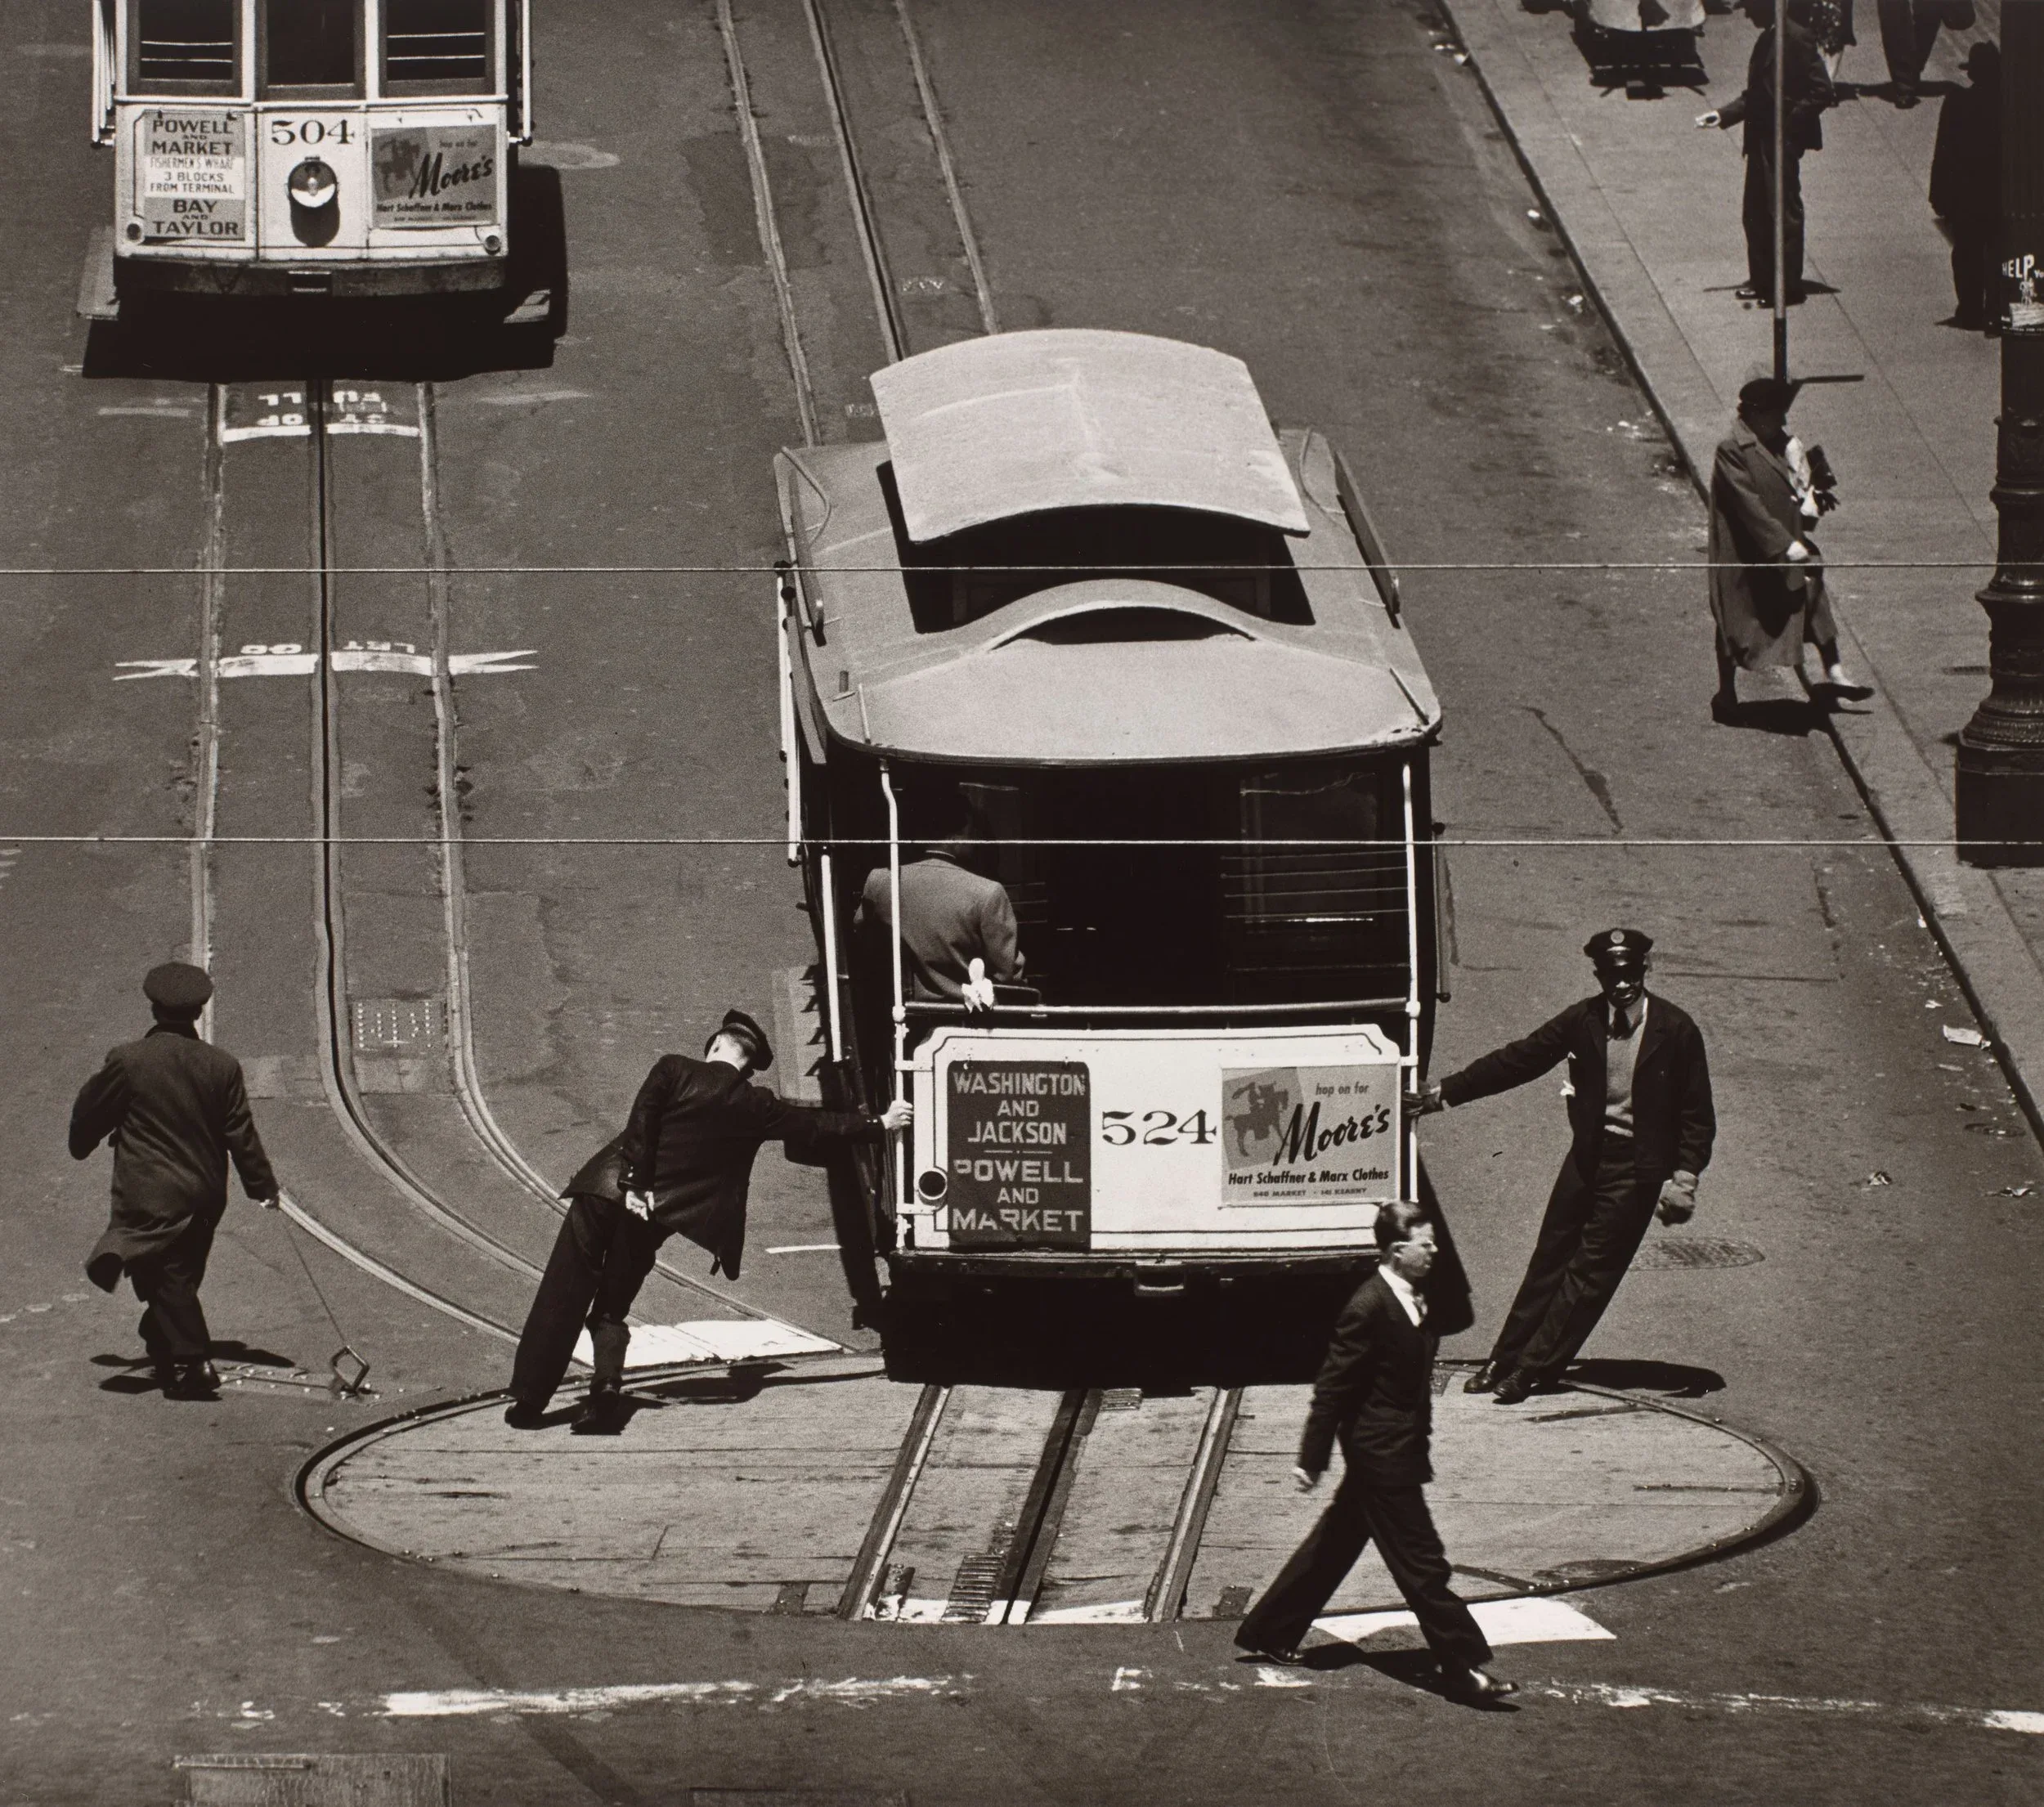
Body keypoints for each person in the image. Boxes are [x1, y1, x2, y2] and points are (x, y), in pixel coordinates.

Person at [503, 1009, 910, 1431]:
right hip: (655, 1215)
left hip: (605, 1192)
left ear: (716, 1045)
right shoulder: (758, 1105)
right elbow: (816, 1125)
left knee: (565, 1290)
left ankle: (531, 1402)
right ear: (749, 1066)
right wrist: (879, 1122)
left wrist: (636, 1184)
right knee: (612, 1306)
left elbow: (641, 1122)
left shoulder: (674, 1069)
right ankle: (606, 1387)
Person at [1414, 929, 1715, 1407]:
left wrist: (1684, 1179)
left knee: (1589, 1273)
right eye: (1613, 977)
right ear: (1600, 977)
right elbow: (1519, 1059)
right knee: (1548, 1260)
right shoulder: (1585, 1019)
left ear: (1645, 973)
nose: (1623, 986)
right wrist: (1443, 1095)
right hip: (1587, 1158)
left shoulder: (1676, 1030)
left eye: (1632, 975)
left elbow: (1697, 1115)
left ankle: (1532, 1370)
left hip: (1637, 1169)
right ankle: (1504, 1358)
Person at [1234, 1200, 1516, 1703]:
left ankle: (1271, 1630)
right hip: (1381, 1455)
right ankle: (1461, 1666)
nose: (1435, 1250)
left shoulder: (1414, 1295)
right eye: (1425, 1244)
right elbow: (1333, 1387)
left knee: (1337, 1542)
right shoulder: (1368, 1306)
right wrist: (1312, 1458)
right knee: (1423, 1564)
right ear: (1395, 1251)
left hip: (1397, 1447)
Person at [69, 962, 280, 1400]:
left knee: (166, 1275)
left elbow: (92, 1111)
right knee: (179, 1272)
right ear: (200, 1011)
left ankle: (193, 1361)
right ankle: (161, 1338)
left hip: (150, 1192)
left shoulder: (129, 1060)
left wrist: (83, 1141)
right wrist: (262, 1187)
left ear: (153, 1007)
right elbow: (240, 1132)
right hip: (205, 1193)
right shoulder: (222, 1066)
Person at [1707, 374, 1871, 718]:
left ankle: (1835, 671)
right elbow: (1748, 505)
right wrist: (1783, 544)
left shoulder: (1781, 442)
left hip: (1787, 545)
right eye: (1776, 414)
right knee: (1736, 624)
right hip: (1748, 554)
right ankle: (1726, 694)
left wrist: (1812, 497)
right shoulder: (1732, 450)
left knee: (1813, 598)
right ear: (1755, 414)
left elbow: (1791, 494)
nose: (1783, 421)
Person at [1696, 0, 1835, 304]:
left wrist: (1788, 123)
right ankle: (1762, 279)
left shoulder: (1796, 39)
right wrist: (1722, 115)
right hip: (1760, 140)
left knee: (1782, 213)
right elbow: (1757, 95)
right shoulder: (1767, 38)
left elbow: (1822, 91)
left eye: (1750, 7)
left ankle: (1786, 287)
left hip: (1780, 142)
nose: (1746, 14)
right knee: (1756, 213)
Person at [856, 790, 1022, 1013]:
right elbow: (1005, 973)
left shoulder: (879, 882)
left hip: (899, 1012)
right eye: (972, 832)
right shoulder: (987, 892)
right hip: (966, 1017)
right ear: (957, 836)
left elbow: (864, 941)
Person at [1930, 43, 2001, 331]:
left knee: (1967, 254)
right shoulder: (2012, 104)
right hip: (1998, 194)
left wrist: (1939, 195)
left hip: (1967, 196)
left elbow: (1943, 151)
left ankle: (1971, 310)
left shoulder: (1957, 103)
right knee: (1998, 252)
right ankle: (1998, 308)